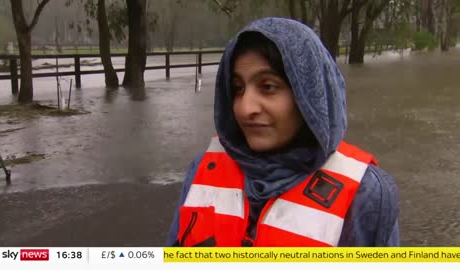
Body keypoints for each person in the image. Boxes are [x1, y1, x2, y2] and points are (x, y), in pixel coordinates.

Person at [167, 17, 399, 247]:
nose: (245, 108)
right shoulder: (203, 168)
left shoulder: (365, 194)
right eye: (238, 89)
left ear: (308, 96)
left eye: (268, 87)